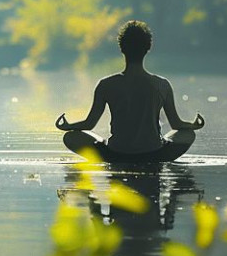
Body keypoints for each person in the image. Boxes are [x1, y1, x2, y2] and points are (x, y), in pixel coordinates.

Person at [56, 20, 204, 162]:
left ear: (122, 48)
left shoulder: (106, 84)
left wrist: (69, 126)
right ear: (147, 48)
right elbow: (176, 124)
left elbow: (89, 124)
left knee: (70, 137)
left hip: (116, 153)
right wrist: (193, 125)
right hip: (154, 153)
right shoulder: (162, 85)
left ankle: (107, 157)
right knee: (187, 134)